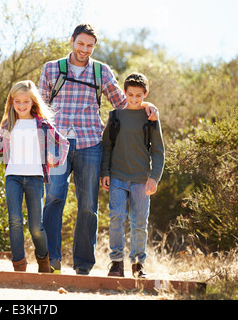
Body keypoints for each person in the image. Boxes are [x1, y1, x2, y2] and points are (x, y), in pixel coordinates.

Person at [39, 23, 159, 275]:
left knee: (87, 206)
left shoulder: (100, 71)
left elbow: (124, 101)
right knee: (53, 199)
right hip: (56, 143)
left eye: (89, 45)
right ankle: (51, 262)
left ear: (94, 47)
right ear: (72, 40)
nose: (84, 49)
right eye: (80, 43)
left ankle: (83, 266)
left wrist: (147, 105)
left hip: (90, 143)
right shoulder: (52, 69)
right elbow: (39, 106)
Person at [0, 80, 69, 273]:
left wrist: (55, 160)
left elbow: (64, 143)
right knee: (15, 221)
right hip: (13, 177)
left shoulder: (42, 124)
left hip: (34, 178)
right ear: (12, 102)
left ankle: (43, 260)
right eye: (17, 101)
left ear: (33, 102)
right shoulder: (9, 124)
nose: (21, 105)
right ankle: (19, 264)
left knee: (36, 227)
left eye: (26, 101)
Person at [101, 73, 165, 278]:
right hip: (118, 177)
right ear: (125, 93)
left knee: (139, 223)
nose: (135, 99)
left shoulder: (151, 118)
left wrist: (154, 177)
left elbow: (158, 151)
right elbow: (107, 147)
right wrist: (105, 172)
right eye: (130, 95)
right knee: (116, 219)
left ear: (145, 94)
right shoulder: (115, 116)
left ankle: (138, 265)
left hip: (141, 180)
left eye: (139, 95)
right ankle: (117, 263)